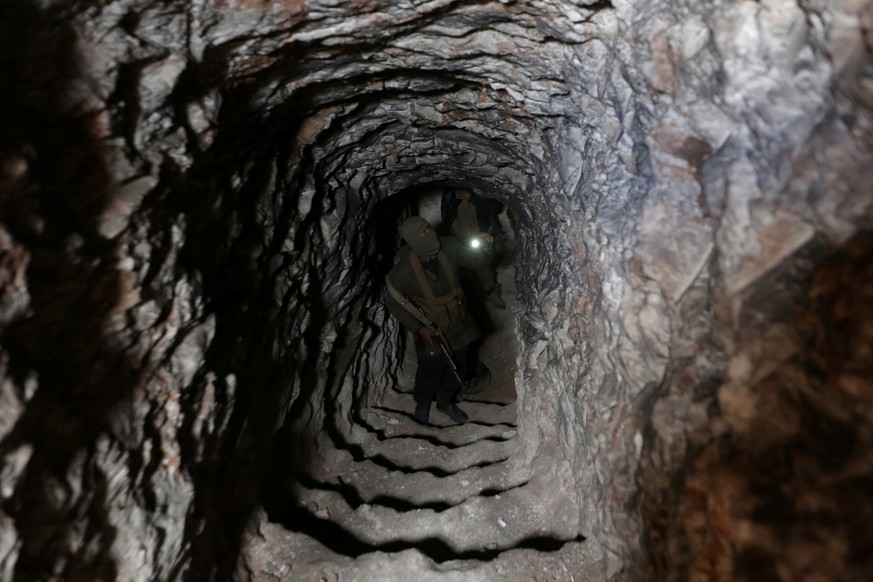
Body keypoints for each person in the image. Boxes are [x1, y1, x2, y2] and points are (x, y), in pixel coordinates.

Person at [384, 216, 494, 425]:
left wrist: (486, 248)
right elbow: (393, 302)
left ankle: (445, 402)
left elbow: (477, 261)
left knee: (459, 368)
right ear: (413, 240)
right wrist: (419, 329)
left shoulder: (449, 248)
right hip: (432, 331)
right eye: (423, 232)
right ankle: (422, 404)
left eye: (428, 228)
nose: (430, 233)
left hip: (460, 324)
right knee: (429, 371)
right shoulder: (403, 272)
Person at [441, 187, 506, 309]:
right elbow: (446, 212)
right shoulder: (450, 189)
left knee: (483, 266)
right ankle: (465, 299)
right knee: (456, 270)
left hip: (479, 235)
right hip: (458, 237)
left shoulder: (481, 185)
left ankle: (490, 291)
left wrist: (472, 197)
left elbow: (495, 207)